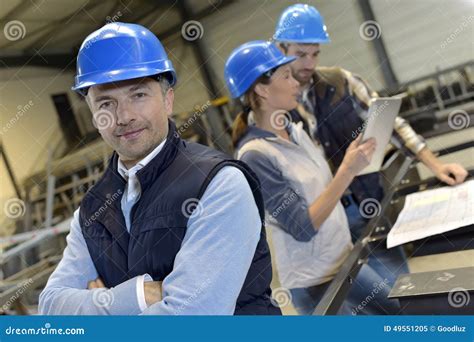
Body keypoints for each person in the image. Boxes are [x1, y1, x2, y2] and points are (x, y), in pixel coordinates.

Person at [39, 23, 281, 315]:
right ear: (93, 115)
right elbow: (51, 307)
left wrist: (100, 304)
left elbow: (188, 319)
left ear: (168, 100)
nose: (124, 116)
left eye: (138, 95)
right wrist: (141, 295)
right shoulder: (92, 210)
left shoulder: (219, 183)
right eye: (106, 103)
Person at [273, 4, 468, 285]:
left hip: (365, 206)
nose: (309, 64)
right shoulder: (276, 104)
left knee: (397, 290)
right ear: (281, 49)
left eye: (315, 53)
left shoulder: (341, 81)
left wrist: (436, 165)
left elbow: (392, 124)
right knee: (349, 303)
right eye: (300, 54)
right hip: (323, 221)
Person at [225, 40, 400, 315]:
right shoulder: (255, 155)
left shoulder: (296, 131)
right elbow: (303, 226)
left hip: (343, 260)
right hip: (316, 282)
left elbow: (323, 191)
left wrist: (353, 162)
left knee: (401, 312)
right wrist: (347, 170)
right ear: (261, 89)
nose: (296, 82)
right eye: (286, 76)